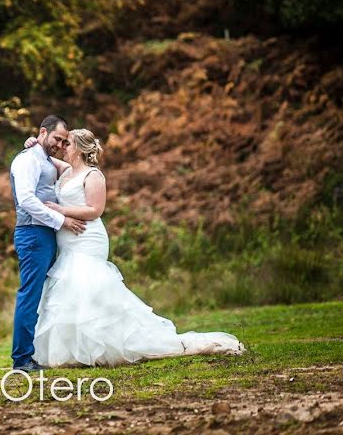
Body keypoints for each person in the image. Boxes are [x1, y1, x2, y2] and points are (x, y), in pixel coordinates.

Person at [24, 128, 246, 367]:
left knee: (86, 284)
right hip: (67, 239)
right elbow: (43, 157)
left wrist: (61, 210)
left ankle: (104, 346)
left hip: (87, 238)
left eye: (67, 144)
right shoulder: (66, 170)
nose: (62, 147)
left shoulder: (93, 175)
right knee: (70, 289)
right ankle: (79, 349)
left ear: (78, 149)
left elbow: (95, 210)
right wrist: (34, 143)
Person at [8, 114, 86, 373]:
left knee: (44, 294)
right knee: (29, 294)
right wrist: (61, 220)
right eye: (57, 139)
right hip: (32, 233)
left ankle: (37, 351)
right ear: (43, 132)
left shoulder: (42, 157)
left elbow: (71, 169)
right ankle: (21, 359)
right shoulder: (26, 160)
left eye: (65, 142)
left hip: (45, 234)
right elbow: (27, 200)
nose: (60, 145)